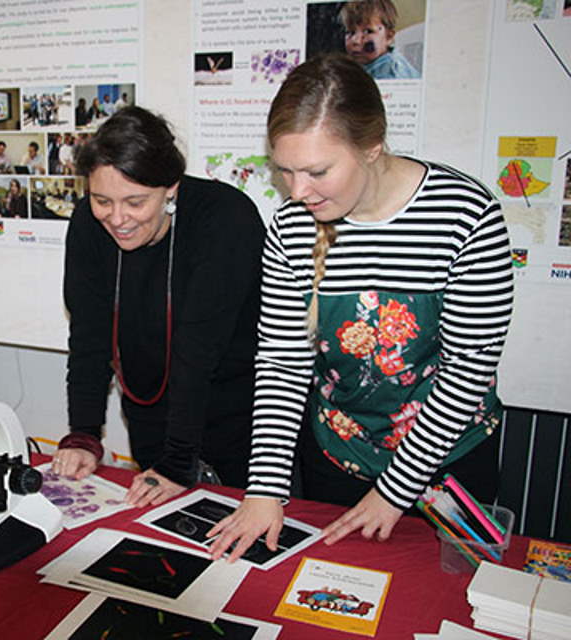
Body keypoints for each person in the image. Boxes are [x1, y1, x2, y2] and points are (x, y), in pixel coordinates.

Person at [207, 54, 512, 561]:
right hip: (338, 460)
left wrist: (395, 492)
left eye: (317, 172)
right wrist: (264, 490)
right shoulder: (291, 228)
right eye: (285, 172)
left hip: (445, 468)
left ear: (372, 148)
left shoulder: (464, 214)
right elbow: (283, 363)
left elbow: (467, 370)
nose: (297, 193)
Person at [51, 106, 265, 508]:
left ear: (171, 188)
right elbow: (89, 335)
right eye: (102, 200)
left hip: (239, 419)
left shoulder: (225, 219)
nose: (117, 219)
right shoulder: (88, 223)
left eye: (135, 202)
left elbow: (198, 350)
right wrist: (84, 434)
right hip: (153, 418)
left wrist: (178, 461)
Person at [340, 0, 420, 80]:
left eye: (368, 31)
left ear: (389, 37)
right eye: (350, 32)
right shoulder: (368, 62)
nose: (355, 41)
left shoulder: (389, 73)